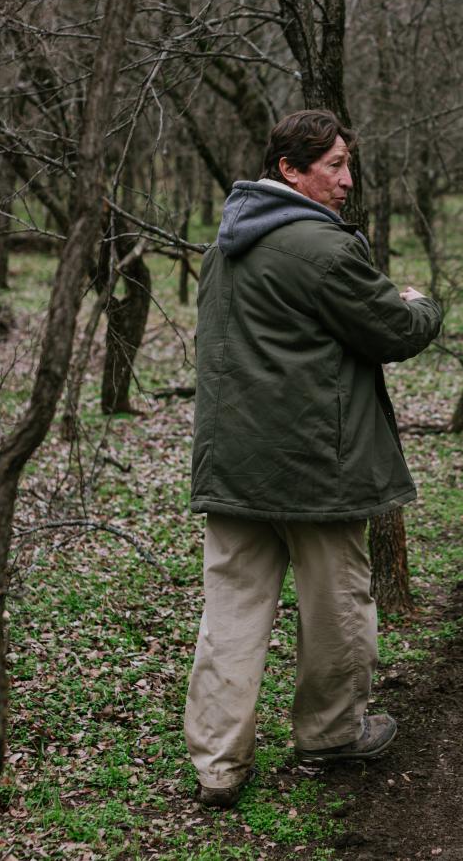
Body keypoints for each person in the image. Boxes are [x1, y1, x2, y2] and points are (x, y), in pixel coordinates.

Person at [184, 109, 443, 810]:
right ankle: (330, 734)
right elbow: (391, 329)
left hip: (233, 466)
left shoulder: (224, 246)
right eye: (332, 166)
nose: (346, 181)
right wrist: (421, 304)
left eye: (347, 165)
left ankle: (217, 765)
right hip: (315, 467)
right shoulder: (322, 250)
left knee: (230, 616)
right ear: (289, 171)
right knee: (336, 609)